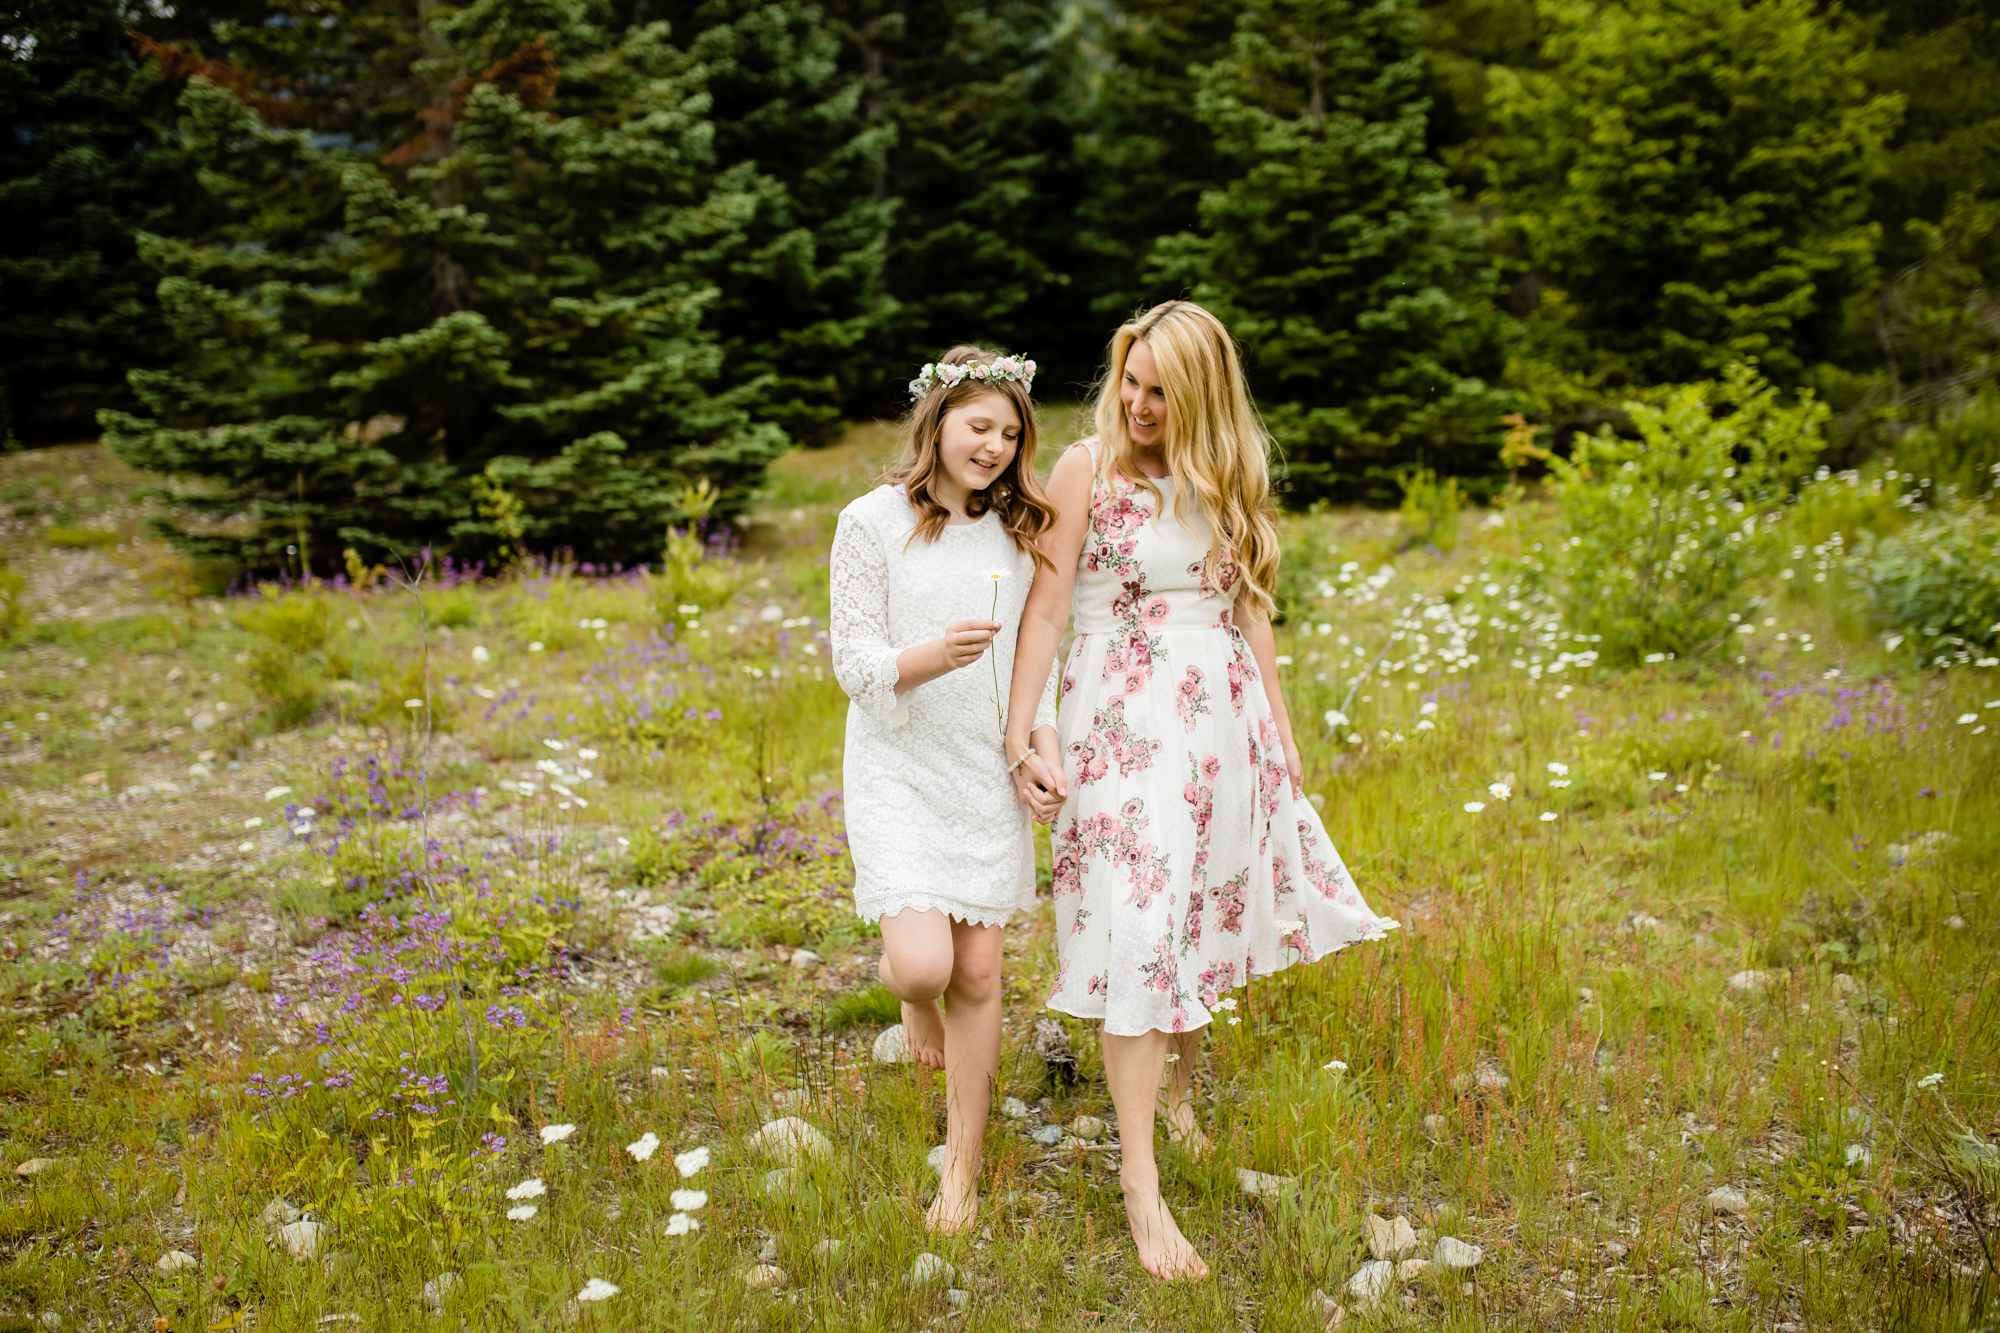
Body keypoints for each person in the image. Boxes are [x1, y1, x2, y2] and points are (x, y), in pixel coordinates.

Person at [1006, 302, 1399, 1279]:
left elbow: (1249, 608)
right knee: (1137, 930)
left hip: (1219, 728)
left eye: (1159, 391)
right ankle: (1140, 1185)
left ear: (1201, 396)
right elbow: (1047, 609)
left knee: (1186, 917)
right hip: (1118, 728)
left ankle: (1176, 1095)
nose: (1137, 404)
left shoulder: (1229, 473)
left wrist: (1283, 734)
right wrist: (1026, 727)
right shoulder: (1082, 470)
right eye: (1129, 383)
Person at [828, 344, 1064, 1234]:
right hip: (897, 765)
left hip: (980, 768)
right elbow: (854, 663)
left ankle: (962, 1166)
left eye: (1010, 432)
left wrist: (1039, 747)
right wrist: (932, 656)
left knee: (979, 968)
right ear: (935, 424)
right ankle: (906, 991)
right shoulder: (872, 521)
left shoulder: (1020, 528)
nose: (996, 446)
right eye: (979, 426)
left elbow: (1038, 664)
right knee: (926, 965)